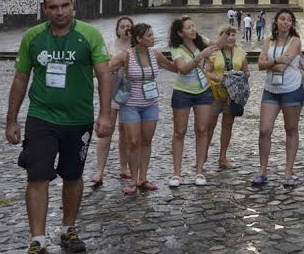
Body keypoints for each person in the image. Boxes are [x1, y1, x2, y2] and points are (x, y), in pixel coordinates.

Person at [5, 0, 113, 254]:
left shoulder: (89, 34)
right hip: (41, 116)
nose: (59, 12)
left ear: (73, 5)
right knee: (37, 175)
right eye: (53, 7)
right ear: (45, 9)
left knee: (72, 175)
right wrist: (11, 120)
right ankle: (38, 240)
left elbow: (104, 76)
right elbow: (20, 78)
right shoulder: (32, 37)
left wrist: (104, 114)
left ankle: (68, 229)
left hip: (78, 119)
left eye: (64, 6)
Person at [104, 23, 177, 194]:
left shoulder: (156, 55)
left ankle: (143, 178)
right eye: (149, 35)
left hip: (150, 104)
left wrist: (193, 59)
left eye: (152, 34)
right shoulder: (125, 56)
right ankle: (133, 181)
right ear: (138, 39)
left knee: (146, 141)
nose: (153, 38)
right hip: (130, 105)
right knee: (133, 142)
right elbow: (104, 70)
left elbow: (173, 67)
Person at [168, 16, 225, 187]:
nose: (193, 29)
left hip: (203, 92)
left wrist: (227, 32)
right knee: (179, 132)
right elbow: (183, 70)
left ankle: (200, 171)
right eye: (188, 28)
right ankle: (177, 173)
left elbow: (217, 47)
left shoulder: (202, 40)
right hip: (182, 92)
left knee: (202, 130)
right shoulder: (176, 48)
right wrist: (200, 56)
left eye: (193, 26)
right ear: (180, 32)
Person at [254, 8, 304, 187]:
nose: (285, 22)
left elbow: (283, 67)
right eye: (282, 19)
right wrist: (276, 61)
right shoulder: (269, 41)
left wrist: (269, 63)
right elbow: (259, 65)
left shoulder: (295, 41)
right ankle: (262, 170)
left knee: (291, 129)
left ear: (292, 24)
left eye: (289, 20)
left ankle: (288, 172)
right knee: (264, 130)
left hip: (291, 88)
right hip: (271, 89)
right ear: (276, 22)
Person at [90, 16, 133, 188]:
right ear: (117, 29)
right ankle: (99, 170)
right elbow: (100, 68)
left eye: (129, 26)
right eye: (122, 26)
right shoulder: (109, 46)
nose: (125, 29)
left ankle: (124, 167)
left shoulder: (137, 48)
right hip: (112, 91)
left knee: (126, 132)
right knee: (107, 131)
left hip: (131, 92)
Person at [204, 25, 249, 169]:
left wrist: (238, 79)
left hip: (232, 95)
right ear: (221, 36)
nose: (231, 37)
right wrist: (219, 78)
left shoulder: (241, 52)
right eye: (227, 34)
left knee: (227, 125)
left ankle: (222, 157)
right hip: (215, 93)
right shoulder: (214, 53)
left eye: (233, 34)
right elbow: (207, 71)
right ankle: (202, 155)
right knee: (210, 125)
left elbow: (246, 72)